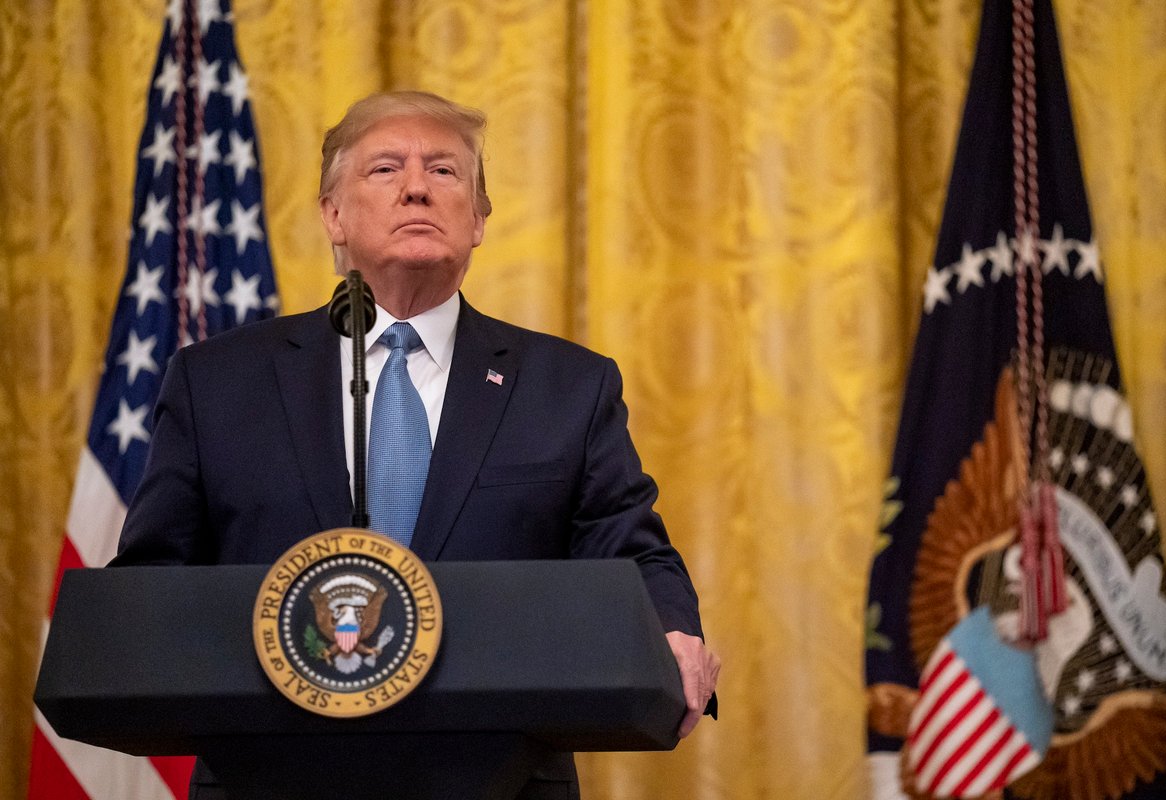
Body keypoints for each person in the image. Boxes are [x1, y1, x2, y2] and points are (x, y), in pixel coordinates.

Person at [112, 90, 720, 798]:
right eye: (384, 170)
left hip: (500, 780)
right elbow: (154, 578)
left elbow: (630, 548)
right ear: (332, 215)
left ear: (479, 218)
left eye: (443, 171)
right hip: (271, 777)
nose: (415, 189)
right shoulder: (217, 382)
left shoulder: (568, 388)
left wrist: (672, 630)